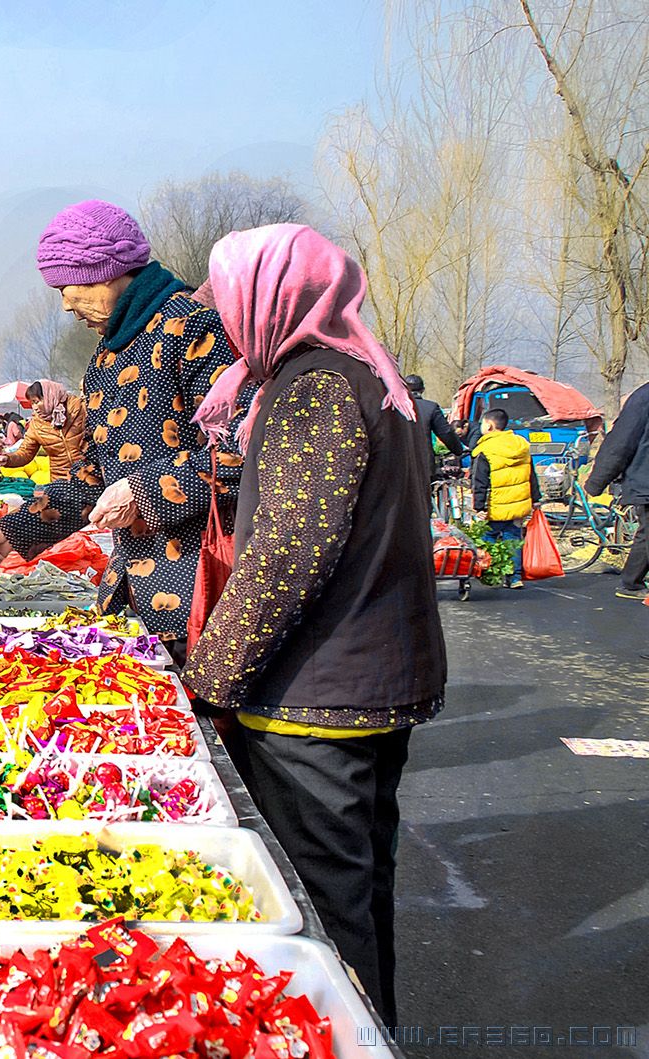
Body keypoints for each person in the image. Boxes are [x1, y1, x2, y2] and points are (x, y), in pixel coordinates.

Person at [181, 224, 445, 1028]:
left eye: (231, 305)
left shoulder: (314, 388)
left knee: (325, 908)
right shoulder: (370, 379)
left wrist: (203, 684)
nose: (227, 324)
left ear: (274, 298)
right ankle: (375, 1031)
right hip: (367, 682)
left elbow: (285, 557)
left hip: (317, 700)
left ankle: (348, 1036)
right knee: (360, 893)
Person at [0, 200, 247, 652]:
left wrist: (142, 491)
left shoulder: (195, 330)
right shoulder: (107, 356)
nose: (66, 306)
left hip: (201, 591)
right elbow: (93, 476)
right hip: (133, 593)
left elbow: (241, 451)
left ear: (106, 272)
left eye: (67, 288)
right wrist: (14, 530)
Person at [584, 382, 649, 600]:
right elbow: (621, 443)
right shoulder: (644, 397)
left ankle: (632, 582)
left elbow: (620, 441)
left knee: (646, 534)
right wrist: (597, 482)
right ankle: (631, 583)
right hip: (645, 478)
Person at [471, 407, 541, 589]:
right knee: (513, 538)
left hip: (496, 506)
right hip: (519, 504)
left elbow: (480, 481)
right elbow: (530, 474)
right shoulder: (520, 444)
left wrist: (479, 507)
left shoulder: (484, 449)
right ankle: (515, 577)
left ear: (490, 425)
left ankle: (493, 573)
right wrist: (536, 498)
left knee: (489, 537)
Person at [0, 379, 88, 481]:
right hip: (61, 479)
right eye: (32, 403)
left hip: (89, 475)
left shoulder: (79, 409)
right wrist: (8, 459)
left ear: (50, 397)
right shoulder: (36, 425)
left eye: (36, 402)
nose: (34, 407)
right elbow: (25, 453)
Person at [405, 374, 464, 484]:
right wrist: (458, 449)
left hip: (396, 465)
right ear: (422, 389)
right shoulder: (431, 408)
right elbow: (446, 432)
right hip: (423, 465)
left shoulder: (392, 407)